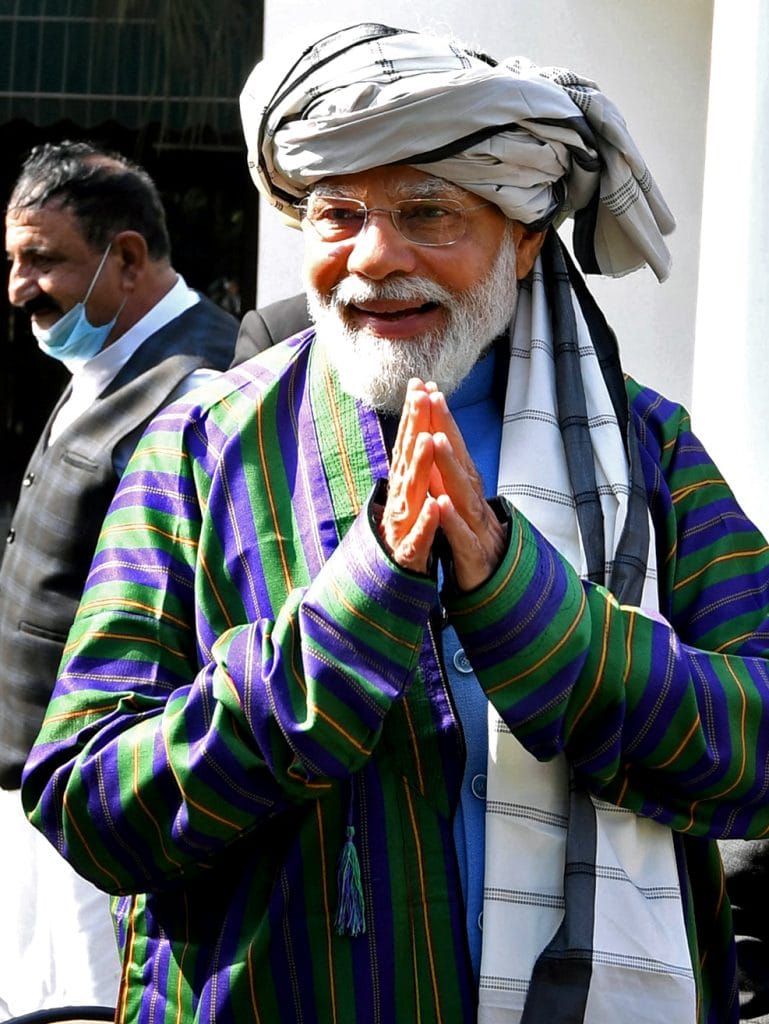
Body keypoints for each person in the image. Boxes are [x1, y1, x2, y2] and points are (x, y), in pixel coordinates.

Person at [19, 24, 769, 1024]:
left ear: (523, 236)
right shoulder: (202, 447)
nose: (373, 257)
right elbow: (88, 800)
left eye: (427, 212)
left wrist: (529, 609)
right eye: (338, 214)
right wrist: (342, 633)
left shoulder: (645, 451)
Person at [0, 140, 240, 1018]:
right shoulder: (101, 359)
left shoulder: (202, 384)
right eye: (14, 260)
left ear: (127, 257)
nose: (19, 288)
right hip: (36, 795)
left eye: (42, 259)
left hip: (103, 812)